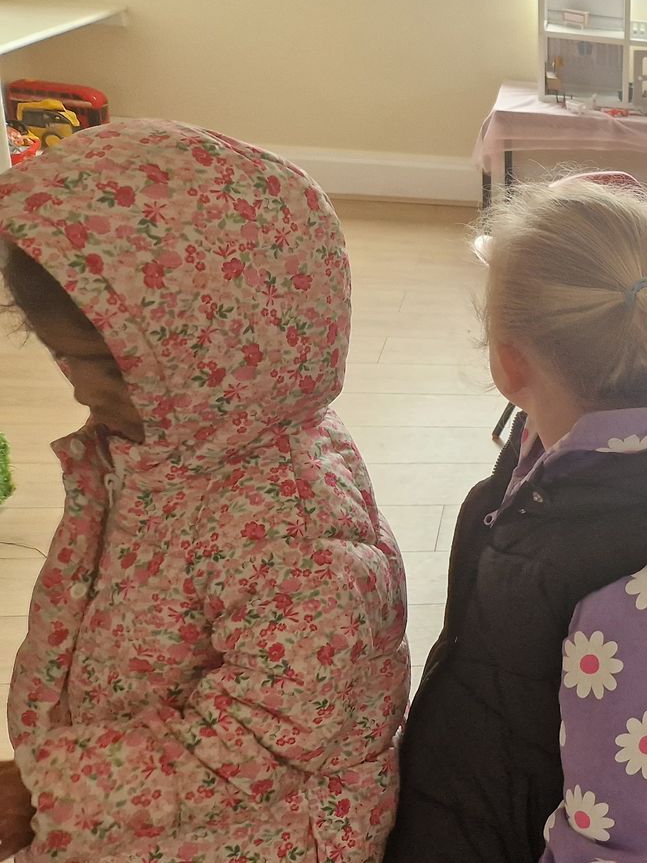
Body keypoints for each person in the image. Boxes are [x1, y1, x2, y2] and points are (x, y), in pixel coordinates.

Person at [0, 120, 408, 861]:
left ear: (213, 352)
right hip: (137, 795)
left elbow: (268, 732)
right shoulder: (175, 440)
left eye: (100, 364)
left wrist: (54, 790)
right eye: (60, 357)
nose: (80, 386)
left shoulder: (295, 524)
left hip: (265, 833)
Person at [389, 174, 647, 861]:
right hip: (486, 788)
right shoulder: (557, 452)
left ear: (509, 363)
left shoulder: (632, 584)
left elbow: (620, 840)